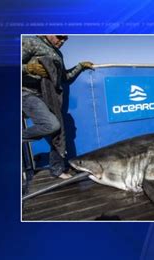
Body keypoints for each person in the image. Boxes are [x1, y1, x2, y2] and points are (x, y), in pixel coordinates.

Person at [22, 35, 94, 179]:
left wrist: (80, 66)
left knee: (59, 131)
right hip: (25, 93)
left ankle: (57, 169)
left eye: (65, 39)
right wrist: (29, 68)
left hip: (47, 95)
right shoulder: (30, 41)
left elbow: (64, 77)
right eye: (59, 37)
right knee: (52, 125)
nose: (62, 41)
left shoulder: (58, 53)